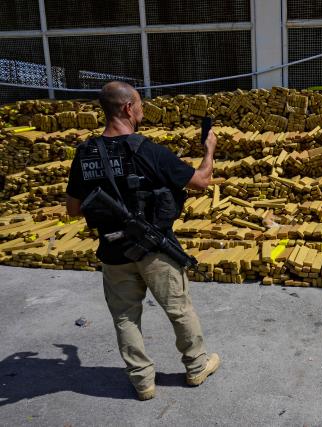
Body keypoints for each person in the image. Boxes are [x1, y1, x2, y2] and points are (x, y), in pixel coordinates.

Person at [65, 81, 220, 401]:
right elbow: (201, 182)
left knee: (124, 317)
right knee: (178, 309)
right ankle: (196, 366)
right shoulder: (148, 151)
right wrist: (209, 151)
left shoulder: (85, 154)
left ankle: (142, 382)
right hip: (155, 249)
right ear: (127, 108)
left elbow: (73, 209)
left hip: (112, 251)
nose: (143, 109)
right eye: (139, 104)